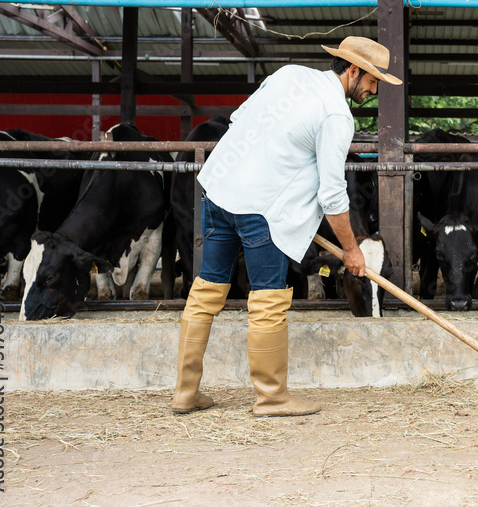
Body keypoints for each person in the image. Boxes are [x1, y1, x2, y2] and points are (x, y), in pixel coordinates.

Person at [170, 36, 402, 417]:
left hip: (218, 191)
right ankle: (271, 397)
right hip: (262, 210)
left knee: (206, 292)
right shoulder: (336, 116)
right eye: (373, 81)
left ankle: (184, 393)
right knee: (267, 301)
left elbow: (237, 119)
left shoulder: (288, 75)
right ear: (354, 70)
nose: (374, 90)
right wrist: (351, 249)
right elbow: (332, 193)